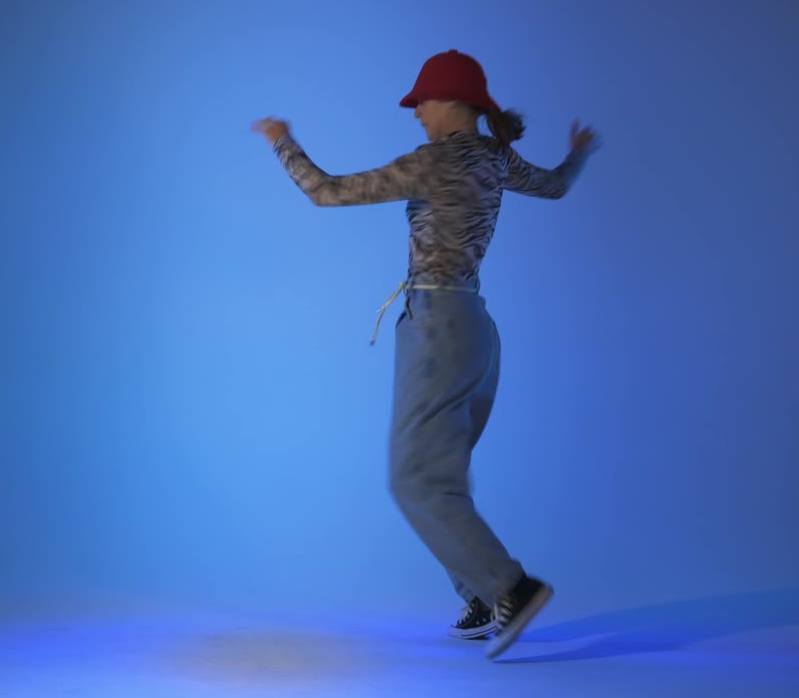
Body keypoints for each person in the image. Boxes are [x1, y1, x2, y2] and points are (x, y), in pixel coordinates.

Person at [251, 49, 599, 660]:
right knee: (442, 473)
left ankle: (511, 590)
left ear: (452, 104)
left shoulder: (433, 163)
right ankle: (479, 593)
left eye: (423, 103)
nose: (417, 115)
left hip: (437, 326)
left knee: (414, 479)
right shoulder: (498, 158)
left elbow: (327, 193)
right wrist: (580, 153)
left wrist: (284, 142)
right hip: (476, 330)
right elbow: (557, 186)